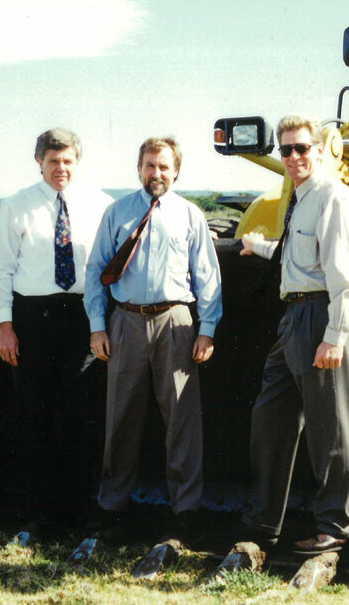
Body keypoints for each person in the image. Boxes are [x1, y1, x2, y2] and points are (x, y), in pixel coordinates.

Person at [237, 115, 349, 554]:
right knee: (270, 416)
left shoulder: (334, 198)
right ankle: (264, 522)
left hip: (319, 319)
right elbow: (299, 256)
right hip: (292, 319)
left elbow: (344, 277)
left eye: (301, 148)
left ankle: (333, 526)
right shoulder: (298, 199)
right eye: (286, 150)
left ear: (321, 149)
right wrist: (260, 248)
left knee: (329, 426)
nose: (293, 157)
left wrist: (335, 335)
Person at [83, 136, 222, 532]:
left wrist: (207, 329)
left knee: (181, 419)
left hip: (176, 322)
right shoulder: (117, 213)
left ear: (175, 171)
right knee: (120, 415)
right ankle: (112, 504)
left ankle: (186, 509)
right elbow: (96, 272)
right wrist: (97, 326)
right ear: (138, 168)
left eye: (163, 166)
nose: (156, 173)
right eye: (149, 165)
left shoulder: (190, 215)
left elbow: (208, 277)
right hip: (124, 322)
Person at [0, 127, 111, 525]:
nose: (61, 168)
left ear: (78, 162)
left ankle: (81, 509)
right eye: (53, 161)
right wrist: (6, 327)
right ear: (39, 162)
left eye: (68, 161)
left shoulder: (100, 204)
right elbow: (0, 271)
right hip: (32, 321)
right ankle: (37, 512)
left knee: (81, 415)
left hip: (82, 318)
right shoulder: (16, 206)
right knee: (33, 416)